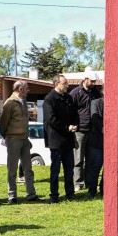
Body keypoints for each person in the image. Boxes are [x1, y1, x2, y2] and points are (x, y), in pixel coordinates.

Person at [0, 81, 40, 205]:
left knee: (28, 168)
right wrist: (7, 136)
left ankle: (31, 194)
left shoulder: (23, 101)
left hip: (24, 139)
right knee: (12, 169)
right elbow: (2, 123)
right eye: (27, 88)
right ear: (20, 89)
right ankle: (12, 196)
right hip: (13, 139)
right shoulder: (10, 103)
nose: (29, 90)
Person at [43, 75, 79, 204]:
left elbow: (74, 114)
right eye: (65, 84)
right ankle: (54, 196)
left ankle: (70, 194)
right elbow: (51, 119)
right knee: (55, 170)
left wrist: (75, 124)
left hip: (68, 140)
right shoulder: (49, 99)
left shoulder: (68, 97)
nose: (67, 86)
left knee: (69, 169)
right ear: (56, 84)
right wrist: (66, 127)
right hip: (56, 141)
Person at [70, 70, 102, 192]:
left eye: (95, 81)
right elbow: (70, 110)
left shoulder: (96, 93)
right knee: (78, 158)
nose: (94, 84)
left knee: (90, 159)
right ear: (85, 79)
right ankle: (78, 182)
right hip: (80, 130)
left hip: (93, 130)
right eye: (92, 81)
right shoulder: (75, 93)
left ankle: (89, 182)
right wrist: (73, 124)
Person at [86, 91, 104, 199]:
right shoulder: (95, 102)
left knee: (108, 169)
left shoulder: (115, 102)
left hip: (110, 141)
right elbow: (94, 119)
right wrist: (103, 128)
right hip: (97, 140)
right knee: (95, 167)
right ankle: (91, 191)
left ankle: (103, 190)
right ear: (103, 91)